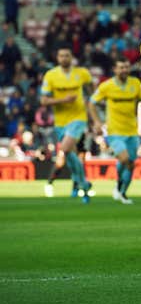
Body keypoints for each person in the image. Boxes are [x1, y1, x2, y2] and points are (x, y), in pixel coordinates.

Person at [41, 46, 94, 203]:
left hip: (78, 118)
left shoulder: (82, 73)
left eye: (67, 55)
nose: (64, 58)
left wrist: (90, 103)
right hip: (60, 122)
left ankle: (80, 184)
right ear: (57, 58)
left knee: (64, 149)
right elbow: (43, 100)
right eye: (61, 55)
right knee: (70, 155)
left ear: (72, 57)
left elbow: (92, 91)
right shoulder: (51, 76)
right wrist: (62, 100)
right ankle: (83, 184)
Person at [88, 56, 141, 204]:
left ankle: (121, 191)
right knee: (125, 159)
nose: (124, 70)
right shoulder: (107, 86)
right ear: (115, 69)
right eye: (121, 67)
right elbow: (92, 103)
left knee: (130, 164)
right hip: (114, 131)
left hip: (132, 131)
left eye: (126, 67)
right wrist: (97, 122)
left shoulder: (135, 83)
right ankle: (120, 190)